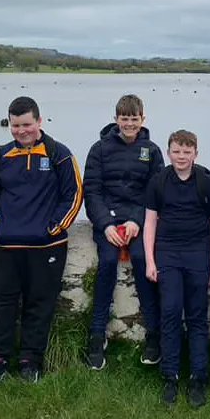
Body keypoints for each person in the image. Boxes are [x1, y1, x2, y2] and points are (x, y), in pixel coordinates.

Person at [0, 96, 82, 383]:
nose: (21, 131)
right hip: (5, 245)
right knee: (3, 303)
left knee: (40, 303)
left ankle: (30, 362)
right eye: (15, 125)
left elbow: (73, 195)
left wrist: (55, 227)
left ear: (38, 122)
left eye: (26, 124)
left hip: (46, 245)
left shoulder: (59, 154)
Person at [82, 94, 165, 370]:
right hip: (108, 221)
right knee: (107, 262)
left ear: (143, 119)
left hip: (140, 222)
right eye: (124, 118)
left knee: (143, 261)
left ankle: (154, 334)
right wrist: (105, 224)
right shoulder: (99, 149)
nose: (129, 124)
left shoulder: (152, 151)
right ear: (116, 119)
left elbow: (156, 193)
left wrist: (136, 221)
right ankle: (97, 334)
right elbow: (91, 192)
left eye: (134, 118)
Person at [143, 130, 210, 408]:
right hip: (167, 252)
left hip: (198, 254)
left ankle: (198, 379)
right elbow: (150, 223)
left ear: (195, 154)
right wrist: (151, 261)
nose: (181, 157)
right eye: (176, 151)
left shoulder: (207, 183)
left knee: (197, 316)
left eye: (186, 152)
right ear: (169, 153)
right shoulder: (159, 182)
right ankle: (170, 376)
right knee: (170, 313)